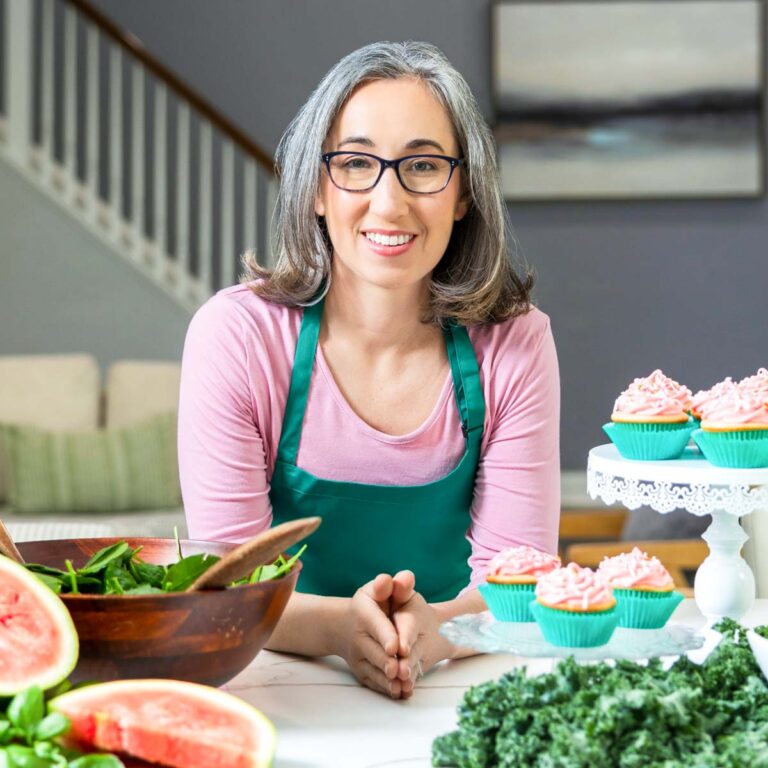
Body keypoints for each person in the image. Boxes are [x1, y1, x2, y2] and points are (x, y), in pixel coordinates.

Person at [178, 41, 560, 699]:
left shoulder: (516, 342)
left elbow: (519, 588)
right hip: (277, 679)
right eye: (355, 163)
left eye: (422, 165)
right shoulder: (237, 336)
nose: (389, 203)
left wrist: (431, 633)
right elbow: (228, 590)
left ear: (464, 191)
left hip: (456, 673)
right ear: (317, 189)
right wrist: (335, 630)